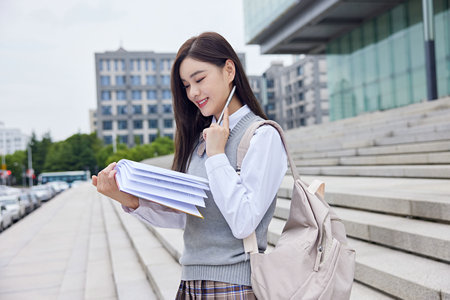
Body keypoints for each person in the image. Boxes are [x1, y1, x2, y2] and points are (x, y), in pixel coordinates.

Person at [92, 32, 287, 299]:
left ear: (229, 70)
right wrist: (128, 199)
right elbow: (190, 216)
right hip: (191, 283)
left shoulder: (262, 136)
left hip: (234, 286)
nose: (193, 92)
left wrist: (217, 156)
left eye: (199, 79)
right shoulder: (200, 139)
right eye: (186, 85)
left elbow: (244, 222)